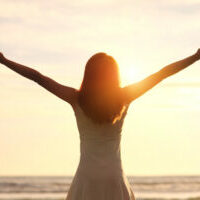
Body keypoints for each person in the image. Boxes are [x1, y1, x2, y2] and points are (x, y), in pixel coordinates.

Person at [0, 49, 199, 200]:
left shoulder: (76, 98)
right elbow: (161, 74)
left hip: (87, 175)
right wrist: (195, 57)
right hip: (114, 175)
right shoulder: (124, 96)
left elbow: (39, 78)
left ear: (89, 74)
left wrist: (5, 61)